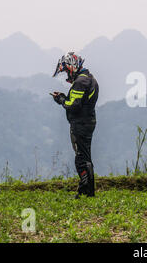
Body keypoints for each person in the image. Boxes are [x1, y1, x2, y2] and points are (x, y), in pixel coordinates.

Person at [52, 51, 99, 198]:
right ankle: (88, 191)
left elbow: (73, 105)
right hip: (88, 120)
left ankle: (85, 192)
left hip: (81, 124)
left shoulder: (80, 82)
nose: (67, 75)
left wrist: (61, 100)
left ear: (72, 66)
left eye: (66, 71)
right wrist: (65, 98)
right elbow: (79, 101)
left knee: (81, 158)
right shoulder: (89, 78)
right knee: (85, 157)